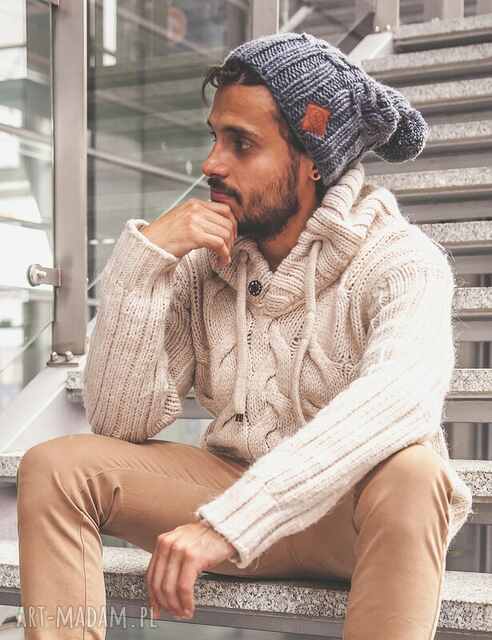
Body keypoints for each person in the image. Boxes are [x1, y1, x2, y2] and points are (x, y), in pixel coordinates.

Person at [17, 32, 473, 639]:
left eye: (241, 143)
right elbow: (122, 422)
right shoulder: (207, 259)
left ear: (313, 160)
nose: (211, 163)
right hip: (228, 490)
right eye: (214, 136)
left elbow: (398, 402)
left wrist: (232, 522)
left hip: (350, 518)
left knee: (417, 474)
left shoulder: (401, 260)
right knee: (55, 465)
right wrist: (142, 264)